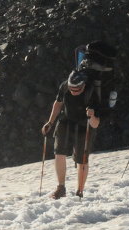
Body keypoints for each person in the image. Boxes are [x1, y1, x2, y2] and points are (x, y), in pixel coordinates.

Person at [41, 70, 101, 199]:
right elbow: (58, 104)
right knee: (59, 152)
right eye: (71, 88)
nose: (73, 91)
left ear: (83, 85)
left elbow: (96, 124)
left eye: (77, 89)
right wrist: (50, 122)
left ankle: (80, 191)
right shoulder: (64, 86)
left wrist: (91, 117)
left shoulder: (92, 92)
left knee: (82, 159)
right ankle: (61, 187)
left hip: (84, 125)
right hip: (66, 120)